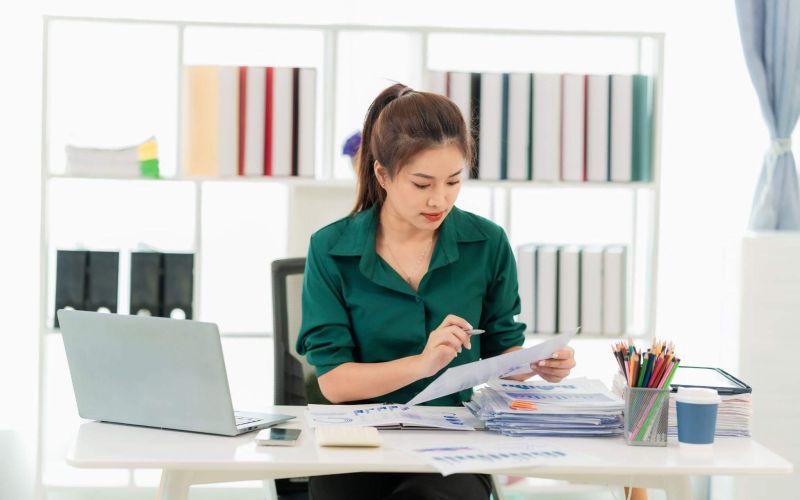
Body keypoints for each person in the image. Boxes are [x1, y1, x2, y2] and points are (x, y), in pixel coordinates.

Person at [296, 83, 576, 500]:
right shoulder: (331, 248)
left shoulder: (487, 243)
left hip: (452, 443)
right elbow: (335, 383)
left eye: (453, 181)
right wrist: (423, 364)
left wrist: (536, 364)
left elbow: (502, 352)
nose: (439, 199)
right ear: (382, 174)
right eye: (422, 184)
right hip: (356, 441)